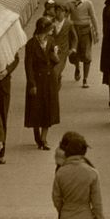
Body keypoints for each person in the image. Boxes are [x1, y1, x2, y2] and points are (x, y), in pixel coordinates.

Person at [24, 13, 64, 151]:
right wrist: (32, 84)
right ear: (44, 29)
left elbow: (55, 60)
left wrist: (55, 54)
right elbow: (28, 66)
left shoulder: (51, 41)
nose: (52, 31)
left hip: (49, 80)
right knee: (36, 108)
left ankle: (43, 138)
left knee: (48, 109)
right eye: (50, 29)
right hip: (37, 79)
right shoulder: (31, 44)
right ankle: (37, 134)